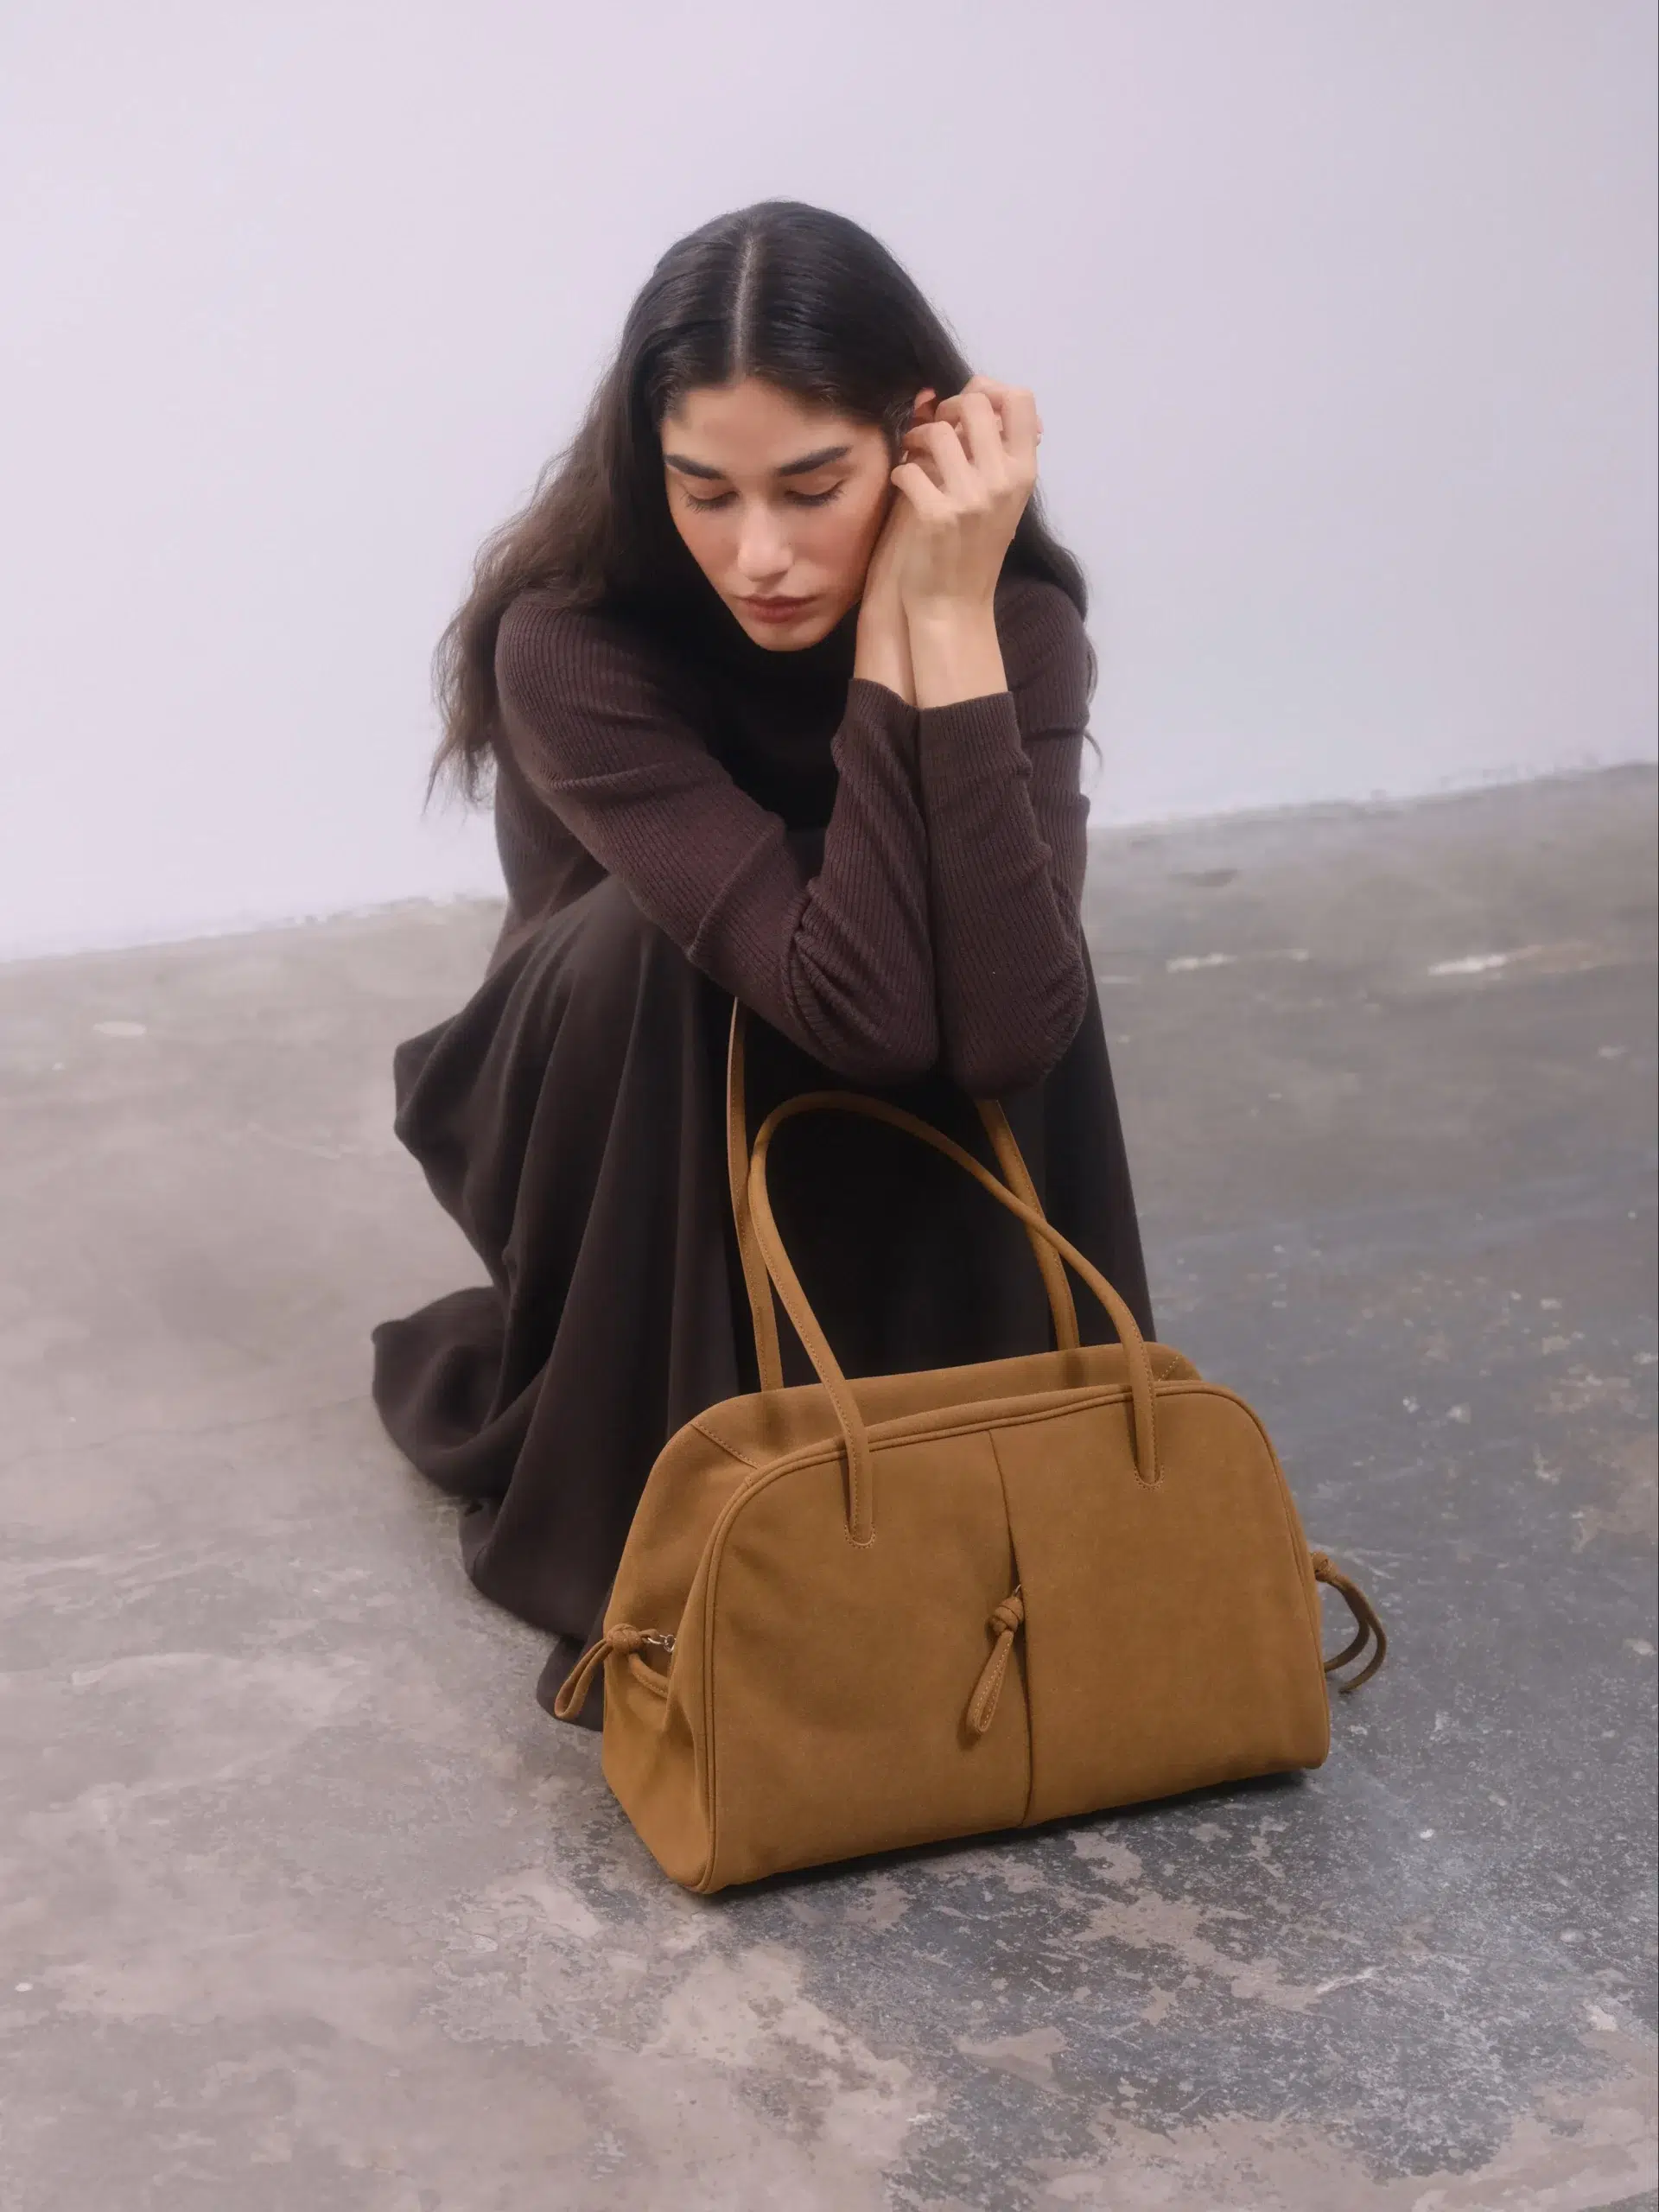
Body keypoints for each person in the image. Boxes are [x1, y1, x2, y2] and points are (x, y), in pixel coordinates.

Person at [370, 198, 1155, 1729]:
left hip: (882, 1050)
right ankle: (695, 1494)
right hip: (615, 1094)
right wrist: (897, 648)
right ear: (648, 473)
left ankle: (999, 1460)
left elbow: (1008, 1039)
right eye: (705, 492)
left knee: (1025, 948)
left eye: (814, 487)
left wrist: (943, 621)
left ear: (918, 446)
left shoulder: (1012, 624)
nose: (762, 555)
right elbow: (857, 1010)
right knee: (676, 949)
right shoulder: (575, 642)